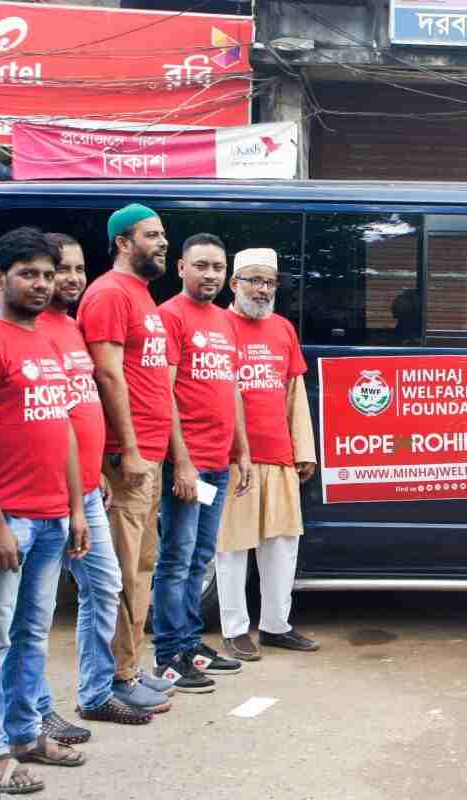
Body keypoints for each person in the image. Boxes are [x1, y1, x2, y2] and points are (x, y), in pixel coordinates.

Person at [0, 227, 90, 793]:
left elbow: (61, 428)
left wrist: (76, 510)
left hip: (51, 517)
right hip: (6, 519)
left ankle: (25, 734)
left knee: (33, 634)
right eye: (29, 274)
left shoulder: (46, 340)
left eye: (47, 274)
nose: (41, 285)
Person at [33, 233, 165, 743]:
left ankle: (96, 691)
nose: (66, 280)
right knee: (30, 615)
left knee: (106, 587)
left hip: (88, 488)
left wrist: (94, 479)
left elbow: (78, 408)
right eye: (52, 271)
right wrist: (113, 464)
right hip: (45, 496)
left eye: (72, 269)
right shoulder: (29, 329)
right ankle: (32, 714)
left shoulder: (69, 326)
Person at [77, 204, 183, 706]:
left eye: (163, 234)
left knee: (142, 568)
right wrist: (131, 451)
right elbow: (107, 375)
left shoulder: (141, 295)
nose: (164, 242)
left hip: (150, 455)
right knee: (118, 572)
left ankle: (131, 668)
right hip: (127, 458)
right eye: (152, 235)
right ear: (123, 242)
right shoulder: (108, 294)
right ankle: (117, 679)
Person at [152, 234, 253, 690]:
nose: (209, 274)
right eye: (201, 265)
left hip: (217, 462)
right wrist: (182, 462)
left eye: (217, 266)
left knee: (199, 559)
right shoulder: (168, 317)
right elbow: (164, 394)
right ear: (180, 268)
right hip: (187, 464)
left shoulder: (225, 321)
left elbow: (230, 388)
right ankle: (168, 655)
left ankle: (191, 644)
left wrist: (242, 450)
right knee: (175, 559)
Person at [215, 248, 319, 660]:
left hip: (279, 456)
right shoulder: (216, 326)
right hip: (232, 458)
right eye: (253, 280)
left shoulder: (282, 329)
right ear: (233, 283)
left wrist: (304, 450)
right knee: (233, 546)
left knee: (282, 544)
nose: (261, 289)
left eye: (269, 282)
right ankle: (235, 629)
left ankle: (276, 625)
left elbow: (295, 395)